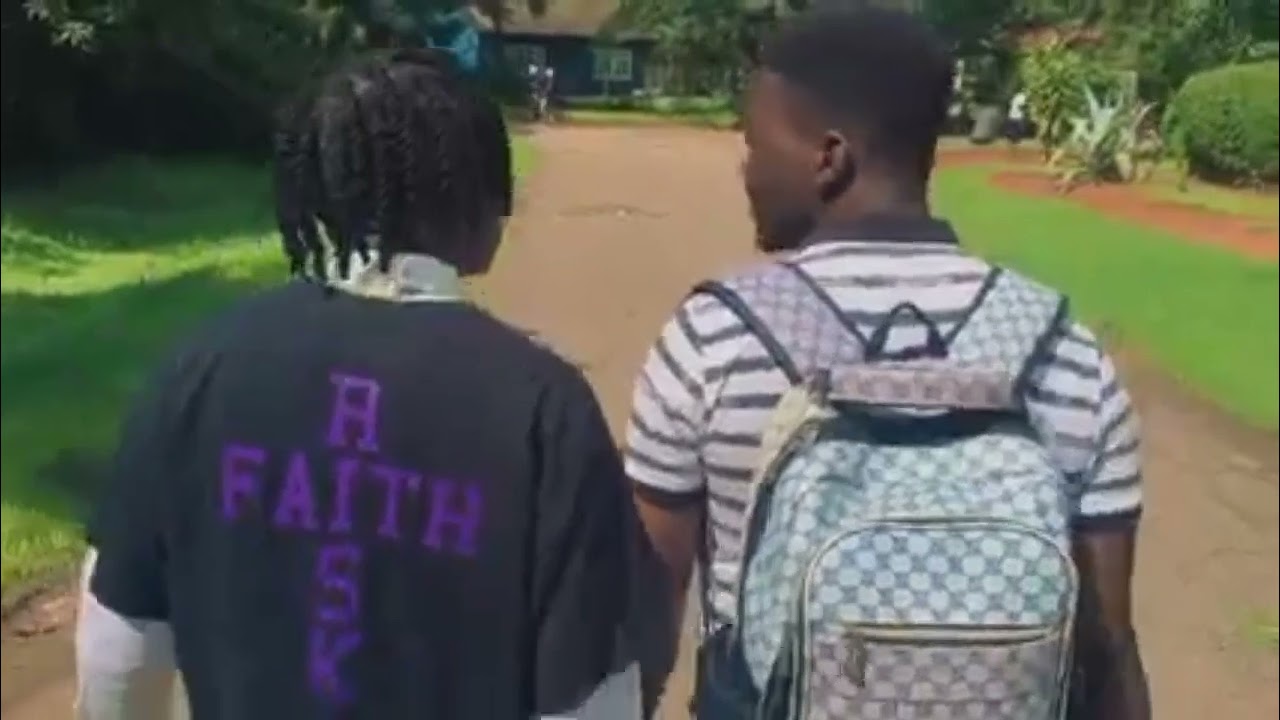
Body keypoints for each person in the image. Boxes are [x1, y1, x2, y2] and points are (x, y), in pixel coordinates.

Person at [77, 48, 646, 720]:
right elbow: (591, 701)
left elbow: (119, 654)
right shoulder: (544, 411)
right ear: (479, 203)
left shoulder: (196, 369)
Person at [625, 8, 1150, 720]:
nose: (746, 168)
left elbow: (649, 614)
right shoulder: (1065, 354)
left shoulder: (714, 339)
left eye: (755, 144)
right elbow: (1110, 647)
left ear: (829, 158)